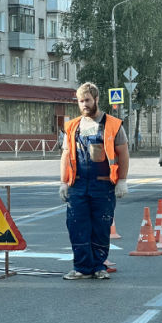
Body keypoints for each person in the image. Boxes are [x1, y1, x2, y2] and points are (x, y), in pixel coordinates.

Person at [59, 82, 130, 280]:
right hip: (77, 185)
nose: (84, 105)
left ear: (96, 99)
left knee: (101, 226)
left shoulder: (113, 125)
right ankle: (81, 268)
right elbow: (65, 155)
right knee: (76, 226)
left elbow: (123, 154)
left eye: (88, 100)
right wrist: (63, 182)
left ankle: (99, 267)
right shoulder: (72, 127)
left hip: (103, 185)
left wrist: (122, 180)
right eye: (81, 101)